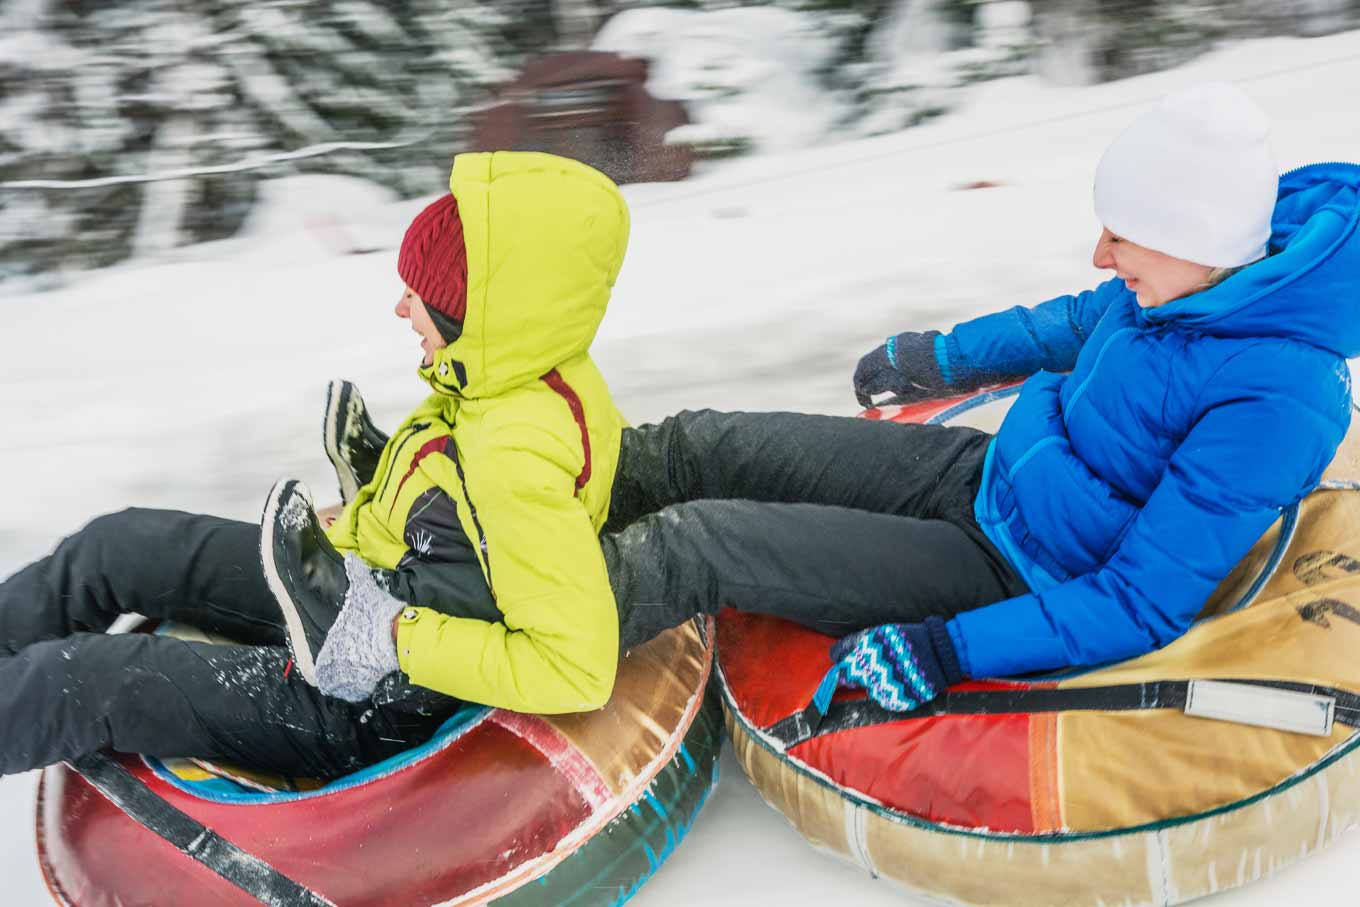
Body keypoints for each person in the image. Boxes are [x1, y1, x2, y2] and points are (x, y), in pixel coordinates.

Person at [314, 83, 1358, 721]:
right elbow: (1064, 321)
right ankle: (458, 497)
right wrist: (933, 353)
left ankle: (439, 622)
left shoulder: (1280, 396)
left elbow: (1140, 603)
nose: (1101, 252)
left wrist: (951, 648)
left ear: (1194, 239)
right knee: (698, 445)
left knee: (696, 542)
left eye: (1122, 234)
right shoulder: (1184, 280)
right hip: (982, 474)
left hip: (1009, 568)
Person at [0, 150, 631, 777]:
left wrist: (394, 634)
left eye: (419, 290)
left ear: (476, 311)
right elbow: (468, 526)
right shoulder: (508, 379)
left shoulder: (513, 453)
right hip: (354, 587)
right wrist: (372, 514)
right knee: (119, 546)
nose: (401, 306)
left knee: (83, 681)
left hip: (369, 697)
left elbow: (574, 667)